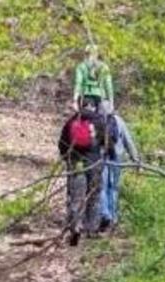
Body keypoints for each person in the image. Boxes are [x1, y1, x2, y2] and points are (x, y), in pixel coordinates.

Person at [57, 99, 106, 246]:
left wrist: (67, 158)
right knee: (94, 196)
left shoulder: (71, 121)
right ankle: (92, 229)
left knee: (76, 197)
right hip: (94, 163)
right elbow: (108, 142)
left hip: (76, 163)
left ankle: (75, 227)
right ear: (93, 107)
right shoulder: (98, 121)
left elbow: (62, 144)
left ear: (79, 106)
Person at [99, 101, 141, 232]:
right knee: (114, 187)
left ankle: (105, 214)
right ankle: (113, 217)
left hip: (101, 158)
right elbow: (128, 141)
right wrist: (136, 159)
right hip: (116, 157)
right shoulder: (118, 120)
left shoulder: (96, 120)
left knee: (102, 186)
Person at [72, 44, 114, 113]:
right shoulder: (104, 67)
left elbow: (78, 83)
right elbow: (108, 85)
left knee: (85, 117)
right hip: (101, 97)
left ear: (86, 54)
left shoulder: (81, 66)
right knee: (101, 117)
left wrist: (75, 100)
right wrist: (111, 102)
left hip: (86, 96)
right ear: (97, 54)